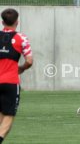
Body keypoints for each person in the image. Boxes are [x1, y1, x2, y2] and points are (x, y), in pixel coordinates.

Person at [0, 8, 33, 143]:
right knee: (9, 115)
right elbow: (29, 61)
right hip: (11, 82)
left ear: (2, 22)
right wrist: (22, 68)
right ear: (17, 22)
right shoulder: (21, 38)